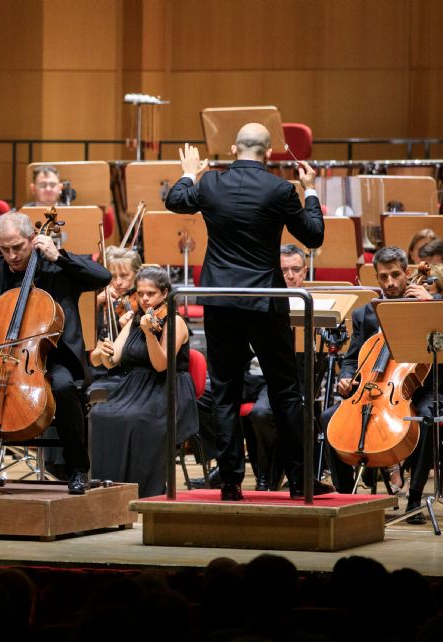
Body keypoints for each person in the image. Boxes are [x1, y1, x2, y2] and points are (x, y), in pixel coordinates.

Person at [166, 123, 330, 501]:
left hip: (221, 301)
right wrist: (311, 191)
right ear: (270, 153)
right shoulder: (279, 189)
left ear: (233, 147)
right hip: (265, 302)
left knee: (224, 392)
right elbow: (314, 236)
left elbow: (176, 200)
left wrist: (190, 172)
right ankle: (301, 482)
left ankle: (229, 484)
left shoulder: (209, 184)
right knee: (286, 392)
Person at [0, 212, 111, 494]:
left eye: (18, 248)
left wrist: (58, 256)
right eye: (5, 249)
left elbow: (103, 277)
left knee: (63, 388)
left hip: (53, 358)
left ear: (32, 239)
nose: (12, 256)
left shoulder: (57, 268)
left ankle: (76, 468)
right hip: (0, 357)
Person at [324, 247, 442, 521]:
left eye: (396, 275)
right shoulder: (365, 314)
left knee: (426, 417)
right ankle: (345, 499)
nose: (390, 283)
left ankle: (414, 501)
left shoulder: (431, 302)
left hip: (423, 389)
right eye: (383, 276)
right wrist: (346, 377)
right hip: (374, 389)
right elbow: (353, 359)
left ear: (407, 273)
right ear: (376, 278)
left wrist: (430, 305)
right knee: (329, 419)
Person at [89, 266, 198, 497]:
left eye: (151, 293)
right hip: (134, 388)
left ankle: (142, 491)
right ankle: (109, 489)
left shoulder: (175, 321)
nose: (145, 299)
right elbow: (111, 361)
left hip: (166, 388)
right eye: (140, 293)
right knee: (100, 415)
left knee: (137, 420)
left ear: (165, 294)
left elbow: (161, 364)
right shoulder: (133, 322)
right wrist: (102, 352)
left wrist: (150, 334)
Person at [90, 247, 142, 382]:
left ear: (137, 275)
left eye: (124, 276)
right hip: (99, 370)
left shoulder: (143, 302)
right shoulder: (99, 298)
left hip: (129, 371)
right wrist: (97, 302)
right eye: (112, 276)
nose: (118, 282)